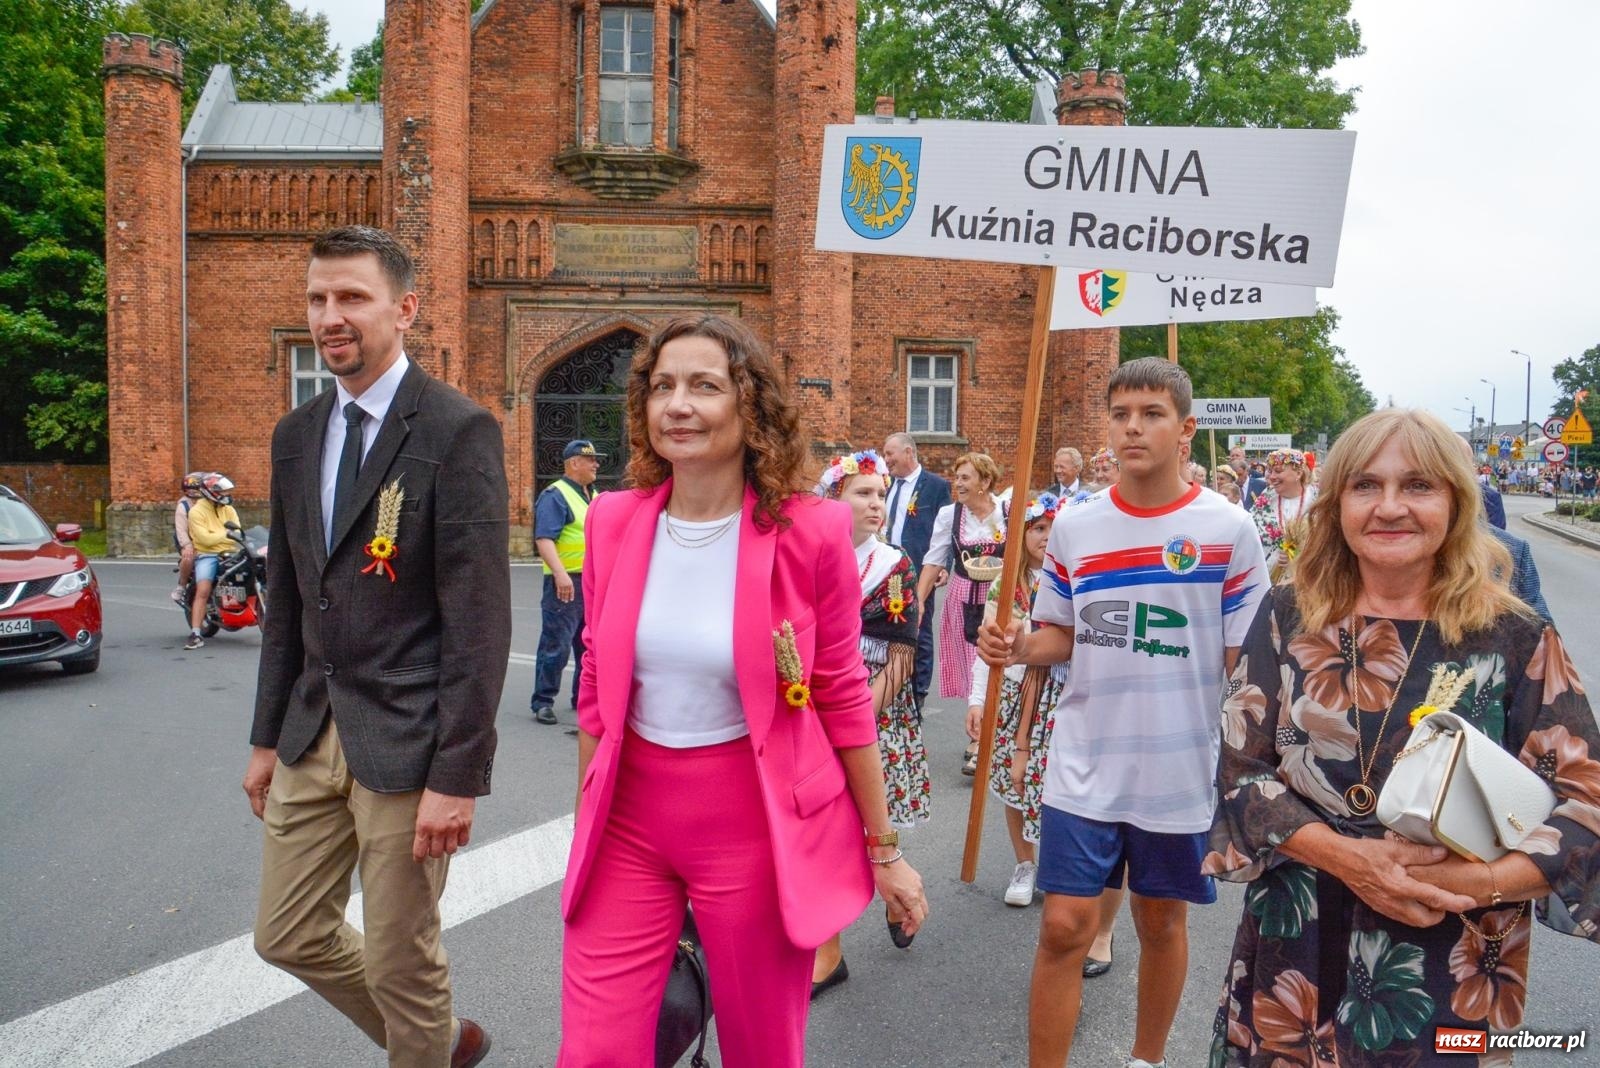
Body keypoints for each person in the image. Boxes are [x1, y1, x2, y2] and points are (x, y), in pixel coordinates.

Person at [559, 315, 926, 1067]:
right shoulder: (612, 521)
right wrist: (585, 818)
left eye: (704, 386)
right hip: (628, 822)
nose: (677, 405)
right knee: (596, 1050)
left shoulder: (810, 531)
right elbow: (596, 682)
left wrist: (884, 848)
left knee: (761, 1049)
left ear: (748, 404)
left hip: (756, 823)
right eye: (662, 386)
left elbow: (840, 695)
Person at [1203, 407, 1600, 1064]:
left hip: (1451, 956)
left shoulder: (1516, 637)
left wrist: (1474, 883)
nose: (1390, 507)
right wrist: (1349, 859)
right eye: (1366, 485)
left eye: (1418, 485)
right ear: (1337, 504)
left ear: (1456, 502)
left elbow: (1586, 807)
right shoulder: (1288, 614)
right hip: (1295, 944)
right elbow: (1241, 772)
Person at [243, 226, 508, 1068]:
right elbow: (288, 600)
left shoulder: (457, 430)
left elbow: (479, 622)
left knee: (401, 958)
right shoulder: (296, 434)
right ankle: (438, 1040)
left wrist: (457, 777)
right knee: (286, 933)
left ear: (405, 308)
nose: (331, 316)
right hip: (311, 729)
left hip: (408, 743)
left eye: (352, 297)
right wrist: (265, 738)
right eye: (318, 299)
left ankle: (420, 1045)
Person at [978, 357, 1268, 1068]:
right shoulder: (1077, 526)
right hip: (1084, 759)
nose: (1133, 428)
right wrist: (1018, 644)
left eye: (1152, 414)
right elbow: (1060, 635)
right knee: (1062, 927)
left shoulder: (1230, 528)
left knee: (1160, 922)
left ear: (1185, 428)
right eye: (1121, 414)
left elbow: (1247, 664)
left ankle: (1146, 1059)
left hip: (1178, 768)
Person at [810, 449, 929, 996]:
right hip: (812, 703)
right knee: (823, 829)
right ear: (832, 499)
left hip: (872, 704)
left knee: (871, 819)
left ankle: (893, 881)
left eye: (881, 494)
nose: (876, 503)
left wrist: (857, 715)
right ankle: (828, 948)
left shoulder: (893, 564)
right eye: (862, 493)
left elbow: (902, 651)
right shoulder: (809, 553)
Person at [966, 493, 1067, 907]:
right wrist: (977, 700)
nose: (1046, 537)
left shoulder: (1071, 581)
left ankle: (1061, 866)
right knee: (1015, 780)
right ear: (1021, 535)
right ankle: (1025, 863)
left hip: (1056, 696)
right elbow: (988, 650)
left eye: (1053, 529)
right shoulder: (1006, 585)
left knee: (1053, 783)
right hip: (1012, 691)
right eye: (1038, 528)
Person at [916, 451, 1008, 774]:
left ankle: (991, 736)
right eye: (957, 478)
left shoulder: (1008, 511)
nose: (959, 484)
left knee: (999, 664)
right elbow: (934, 559)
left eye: (966, 478)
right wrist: (919, 600)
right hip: (964, 597)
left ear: (985, 481)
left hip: (1000, 599)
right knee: (973, 666)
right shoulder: (949, 515)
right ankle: (977, 740)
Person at [530, 439, 603, 725]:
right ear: (574, 463)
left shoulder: (594, 495)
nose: (596, 464)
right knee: (556, 644)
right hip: (565, 582)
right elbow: (544, 539)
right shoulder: (556, 495)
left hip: (590, 582)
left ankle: (581, 696)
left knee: (588, 645)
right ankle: (543, 701)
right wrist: (560, 574)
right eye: (591, 460)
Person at [881, 431, 952, 710]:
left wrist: (944, 565)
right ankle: (891, 685)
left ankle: (919, 690)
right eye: (885, 454)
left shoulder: (935, 486)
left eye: (890, 453)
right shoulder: (885, 484)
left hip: (919, 571)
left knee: (919, 629)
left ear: (908, 452)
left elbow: (947, 529)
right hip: (885, 569)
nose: (886, 459)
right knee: (887, 628)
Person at [184, 472, 241, 650]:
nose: (226, 495)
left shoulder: (229, 510)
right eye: (222, 492)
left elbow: (238, 533)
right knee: (203, 589)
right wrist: (227, 535)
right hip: (207, 554)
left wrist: (225, 536)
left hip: (231, 552)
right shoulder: (196, 512)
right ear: (210, 492)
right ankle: (195, 633)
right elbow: (204, 540)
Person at [1250, 447, 1317, 581]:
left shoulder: (1317, 501)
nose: (1272, 477)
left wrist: (1297, 555)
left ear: (1298, 473)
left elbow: (1327, 543)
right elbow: (1251, 539)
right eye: (1270, 471)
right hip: (1267, 579)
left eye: (1278, 471)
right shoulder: (1265, 499)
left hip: (1308, 579)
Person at [171, 471, 204, 604]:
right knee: (188, 557)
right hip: (189, 540)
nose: (194, 492)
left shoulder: (208, 503)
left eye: (197, 488)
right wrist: (187, 546)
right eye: (191, 489)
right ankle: (182, 585)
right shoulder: (183, 506)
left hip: (206, 539)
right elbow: (181, 530)